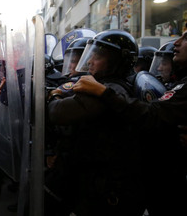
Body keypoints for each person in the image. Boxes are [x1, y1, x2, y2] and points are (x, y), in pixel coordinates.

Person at [72, 30, 187, 216]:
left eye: (186, 38)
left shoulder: (114, 89)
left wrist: (104, 93)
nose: (177, 42)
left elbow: (151, 116)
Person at [47, 30, 145, 216]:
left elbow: (58, 113)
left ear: (117, 61)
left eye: (98, 56)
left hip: (107, 186)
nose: (90, 61)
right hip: (98, 181)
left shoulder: (108, 91)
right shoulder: (106, 87)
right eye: (90, 55)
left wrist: (54, 95)